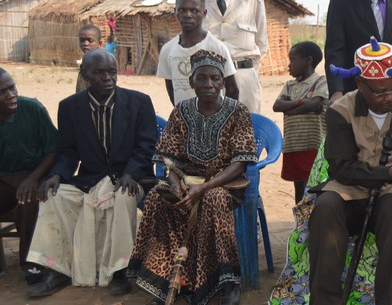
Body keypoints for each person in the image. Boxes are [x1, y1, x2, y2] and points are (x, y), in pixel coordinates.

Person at [129, 49, 257, 305]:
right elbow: (168, 156)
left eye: (215, 78)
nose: (208, 84)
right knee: (158, 199)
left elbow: (241, 160)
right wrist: (177, 185)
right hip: (186, 181)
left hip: (224, 182)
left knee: (214, 201)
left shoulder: (237, 111)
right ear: (192, 82)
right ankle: (170, 281)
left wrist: (205, 186)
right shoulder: (182, 111)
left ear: (223, 82)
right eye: (202, 78)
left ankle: (227, 281)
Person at [26, 49, 157, 298]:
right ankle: (57, 270)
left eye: (111, 71)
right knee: (54, 196)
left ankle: (119, 271)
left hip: (129, 177)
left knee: (123, 196)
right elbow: (67, 152)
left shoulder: (139, 102)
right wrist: (56, 175)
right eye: (99, 73)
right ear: (85, 74)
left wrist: (131, 173)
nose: (108, 77)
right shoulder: (70, 107)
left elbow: (147, 146)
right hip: (89, 179)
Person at [308, 38, 392, 304]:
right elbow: (342, 169)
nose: (390, 97)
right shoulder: (340, 112)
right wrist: (389, 172)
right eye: (380, 91)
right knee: (326, 208)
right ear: (360, 84)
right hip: (350, 189)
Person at [0, 68, 57, 282]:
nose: (11, 94)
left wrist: (33, 178)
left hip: (34, 174)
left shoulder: (32, 109)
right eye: (2, 91)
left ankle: (31, 263)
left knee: (29, 199)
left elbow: (53, 149)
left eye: (12, 87)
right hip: (3, 180)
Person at [203, 0, 268, 113]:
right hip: (209, 81)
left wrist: (249, 74)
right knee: (212, 133)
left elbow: (262, 44)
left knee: (245, 133)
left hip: (244, 79)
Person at [158, 0, 238, 106]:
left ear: (204, 13)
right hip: (184, 120)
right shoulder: (168, 50)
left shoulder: (216, 47)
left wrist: (223, 118)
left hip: (213, 119)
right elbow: (171, 89)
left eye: (194, 11)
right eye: (182, 10)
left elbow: (232, 89)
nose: (188, 15)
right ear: (175, 12)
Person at [273, 41, 328, 204]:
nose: (289, 65)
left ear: (308, 60)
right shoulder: (289, 85)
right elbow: (277, 106)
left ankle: (313, 225)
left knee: (315, 186)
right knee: (299, 188)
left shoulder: (320, 81)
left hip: (313, 145)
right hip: (294, 144)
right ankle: (300, 226)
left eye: (293, 60)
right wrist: (301, 104)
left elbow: (315, 103)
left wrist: (290, 108)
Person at [75, 24, 103, 93]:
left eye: (90, 40)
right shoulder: (85, 63)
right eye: (82, 40)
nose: (85, 44)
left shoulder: (101, 65)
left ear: (99, 43)